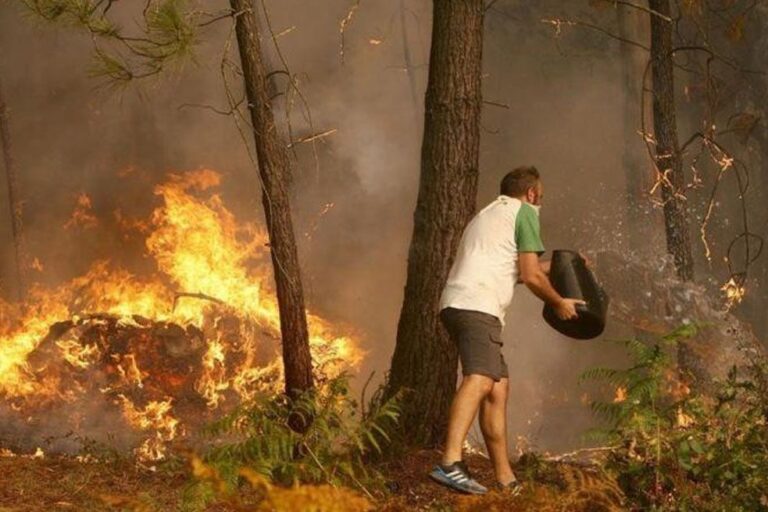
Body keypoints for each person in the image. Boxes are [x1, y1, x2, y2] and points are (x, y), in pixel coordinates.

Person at [429, 166, 585, 495]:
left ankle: (506, 479)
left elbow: (512, 271)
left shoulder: (490, 215)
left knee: (497, 389)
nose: (540, 202)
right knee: (482, 378)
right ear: (531, 194)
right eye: (540, 196)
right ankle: (450, 462)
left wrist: (564, 265)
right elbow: (530, 276)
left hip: (462, 303)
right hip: (477, 306)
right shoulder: (524, 212)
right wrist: (559, 302)